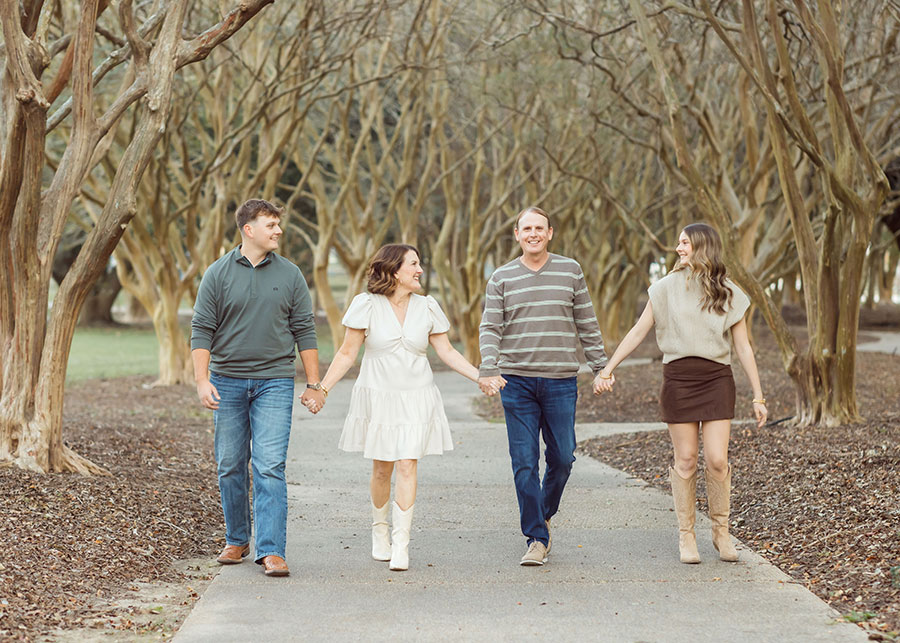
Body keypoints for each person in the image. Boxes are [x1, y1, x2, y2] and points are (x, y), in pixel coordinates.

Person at [594, 222, 767, 564]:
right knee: (686, 460)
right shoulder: (663, 289)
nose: (679, 248)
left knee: (717, 460)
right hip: (679, 380)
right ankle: (686, 535)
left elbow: (744, 348)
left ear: (703, 246)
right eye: (678, 242)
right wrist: (607, 368)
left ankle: (721, 531)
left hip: (717, 379)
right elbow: (637, 332)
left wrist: (758, 396)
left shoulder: (729, 292)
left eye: (685, 242)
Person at [313, 244, 481, 571]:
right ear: (394, 271)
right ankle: (380, 530)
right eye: (414, 264)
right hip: (378, 395)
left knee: (407, 464)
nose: (420, 270)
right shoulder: (366, 305)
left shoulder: (428, 306)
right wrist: (322, 388)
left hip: (417, 395)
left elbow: (447, 352)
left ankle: (402, 543)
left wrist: (481, 378)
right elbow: (347, 354)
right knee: (382, 468)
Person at [190, 199, 324, 578]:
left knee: (269, 465)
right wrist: (202, 380)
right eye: (271, 224)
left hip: (275, 382)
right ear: (248, 229)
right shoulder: (217, 274)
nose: (278, 230)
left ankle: (271, 550)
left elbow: (305, 330)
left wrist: (314, 384)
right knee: (230, 464)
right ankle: (237, 539)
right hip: (226, 380)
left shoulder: (292, 274)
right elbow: (201, 330)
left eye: (279, 223)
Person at [478, 206, 609, 567]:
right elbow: (490, 327)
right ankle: (536, 537)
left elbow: (586, 321)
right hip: (515, 382)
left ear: (550, 233)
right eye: (526, 228)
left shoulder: (570, 270)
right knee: (524, 463)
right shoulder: (502, 277)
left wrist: (601, 367)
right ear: (517, 235)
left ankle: (544, 513)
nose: (533, 233)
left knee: (563, 458)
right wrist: (488, 367)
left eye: (539, 227)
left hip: (560, 381)